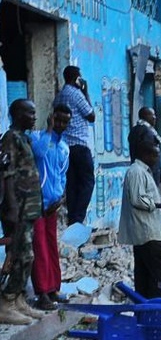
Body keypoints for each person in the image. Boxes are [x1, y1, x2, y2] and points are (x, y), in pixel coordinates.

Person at [0, 99, 46, 324]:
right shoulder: (10, 139)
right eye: (30, 112)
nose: (34, 117)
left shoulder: (24, 138)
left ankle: (18, 300)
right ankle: (6, 301)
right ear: (18, 114)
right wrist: (11, 206)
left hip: (29, 208)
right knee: (21, 255)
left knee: (27, 256)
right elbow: (7, 174)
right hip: (17, 209)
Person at [118, 140, 161, 299]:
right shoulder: (136, 172)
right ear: (145, 154)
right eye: (155, 154)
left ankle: (146, 311)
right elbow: (137, 199)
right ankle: (155, 308)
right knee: (159, 272)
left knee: (145, 276)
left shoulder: (143, 171)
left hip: (148, 232)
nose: (157, 158)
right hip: (147, 232)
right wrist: (160, 205)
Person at [30, 104, 72, 310]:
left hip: (52, 206)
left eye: (65, 121)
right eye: (58, 120)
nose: (61, 125)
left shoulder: (65, 148)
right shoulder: (38, 137)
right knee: (39, 248)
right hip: (36, 204)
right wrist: (48, 130)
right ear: (51, 118)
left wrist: (60, 199)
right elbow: (38, 154)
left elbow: (62, 175)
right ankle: (42, 292)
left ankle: (54, 287)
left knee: (51, 247)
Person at [53, 65, 95, 225]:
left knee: (72, 184)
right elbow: (91, 116)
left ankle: (72, 218)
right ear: (76, 78)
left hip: (65, 146)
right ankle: (78, 219)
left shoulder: (60, 96)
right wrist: (86, 91)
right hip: (79, 144)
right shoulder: (77, 94)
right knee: (87, 182)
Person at [128, 107, 161, 187]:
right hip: (148, 172)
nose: (154, 117)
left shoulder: (136, 129)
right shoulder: (145, 131)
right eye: (151, 115)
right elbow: (147, 150)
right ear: (144, 116)